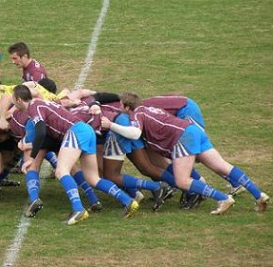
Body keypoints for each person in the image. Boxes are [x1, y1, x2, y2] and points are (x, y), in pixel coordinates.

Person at [108, 92, 270, 215]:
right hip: (191, 130)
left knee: (182, 180)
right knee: (222, 166)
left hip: (182, 137)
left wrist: (110, 125)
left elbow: (135, 133)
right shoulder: (150, 108)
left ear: (126, 107)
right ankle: (259, 195)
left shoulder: (137, 114)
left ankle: (223, 198)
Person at [13, 85, 139, 225]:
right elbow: (47, 135)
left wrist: (30, 158)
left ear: (18, 100)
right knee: (93, 178)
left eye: (13, 100)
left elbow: (41, 132)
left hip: (75, 131)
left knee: (61, 171)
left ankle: (78, 209)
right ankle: (128, 201)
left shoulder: (33, 106)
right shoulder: (41, 103)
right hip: (86, 130)